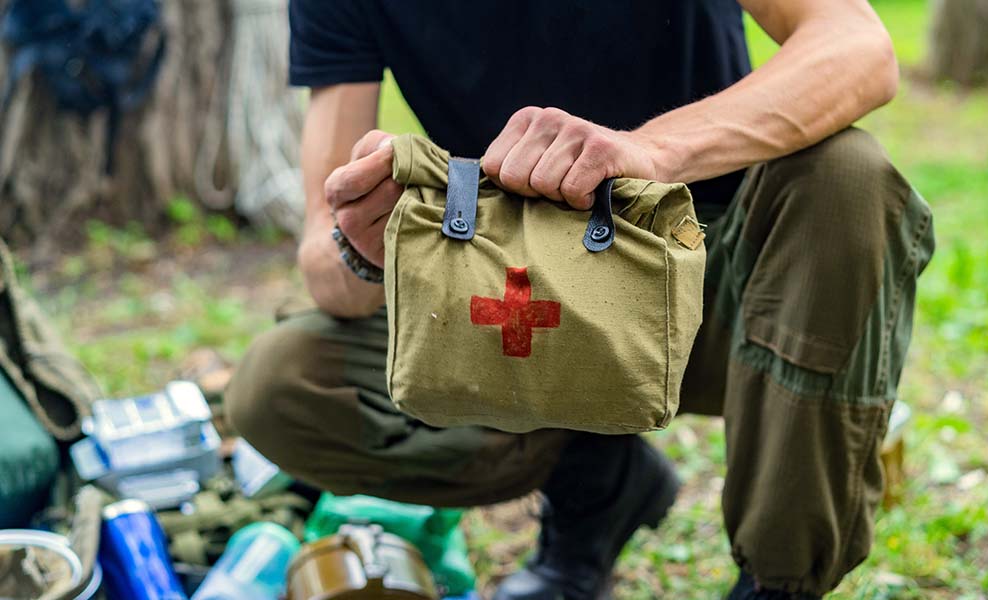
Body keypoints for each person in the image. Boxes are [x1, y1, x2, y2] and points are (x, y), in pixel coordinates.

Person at [224, 1, 936, 598]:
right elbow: (323, 250)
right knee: (285, 383)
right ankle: (596, 485)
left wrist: (650, 153)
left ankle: (778, 581)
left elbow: (856, 47)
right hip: (512, 292)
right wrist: (363, 245)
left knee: (846, 176)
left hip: (718, 280)